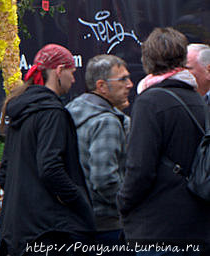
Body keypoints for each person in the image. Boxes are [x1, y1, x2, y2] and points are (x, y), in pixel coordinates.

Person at [118, 27, 210, 252]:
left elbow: (140, 168)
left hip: (158, 228)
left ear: (147, 60)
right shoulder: (199, 101)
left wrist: (123, 202)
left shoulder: (150, 102)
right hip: (197, 225)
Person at [0, 43, 95, 253]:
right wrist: (80, 202)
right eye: (72, 71)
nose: (74, 78)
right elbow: (50, 168)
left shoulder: (19, 111)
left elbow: (4, 175)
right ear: (59, 71)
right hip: (47, 233)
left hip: (14, 232)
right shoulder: (52, 112)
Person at [67, 54, 132, 244]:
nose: (130, 84)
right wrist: (128, 207)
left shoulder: (71, 111)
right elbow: (104, 180)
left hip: (79, 222)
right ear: (101, 86)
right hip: (107, 227)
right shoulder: (107, 121)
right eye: (122, 79)